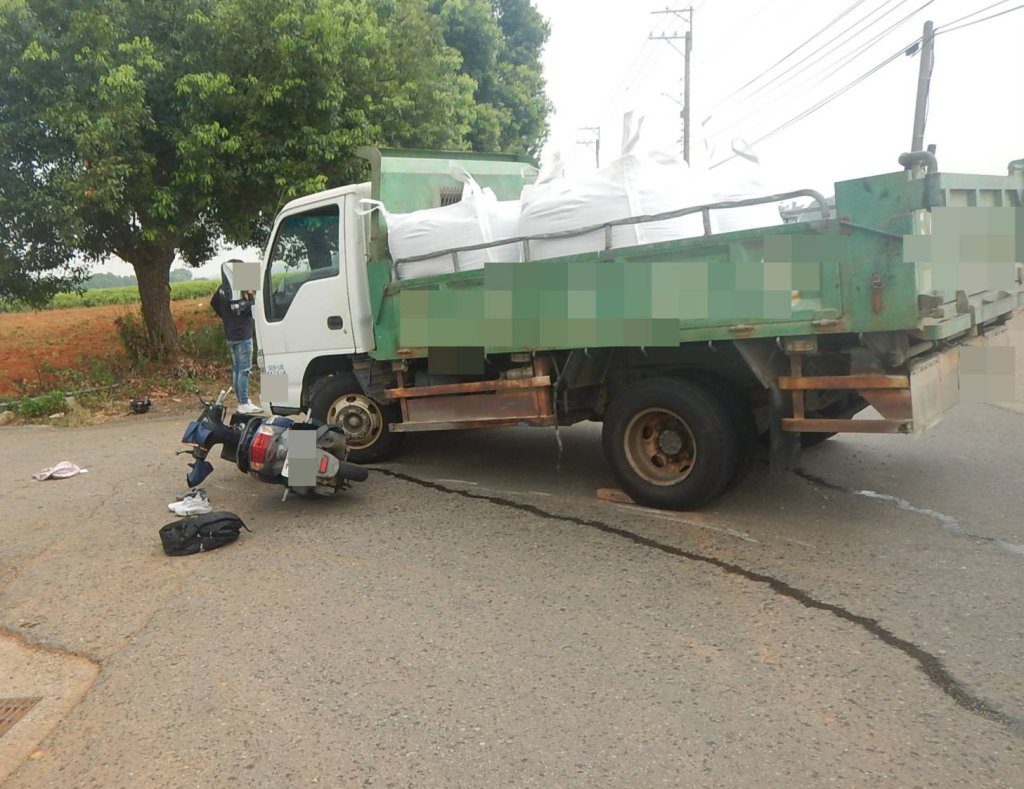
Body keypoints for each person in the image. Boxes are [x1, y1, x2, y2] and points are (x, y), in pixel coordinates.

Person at [211, 260, 262, 415]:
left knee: (237, 369)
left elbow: (213, 303)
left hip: (230, 333)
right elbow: (253, 310)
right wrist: (251, 296)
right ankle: (243, 402)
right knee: (244, 370)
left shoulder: (223, 288)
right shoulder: (240, 292)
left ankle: (242, 401)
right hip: (243, 334)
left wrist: (226, 317)